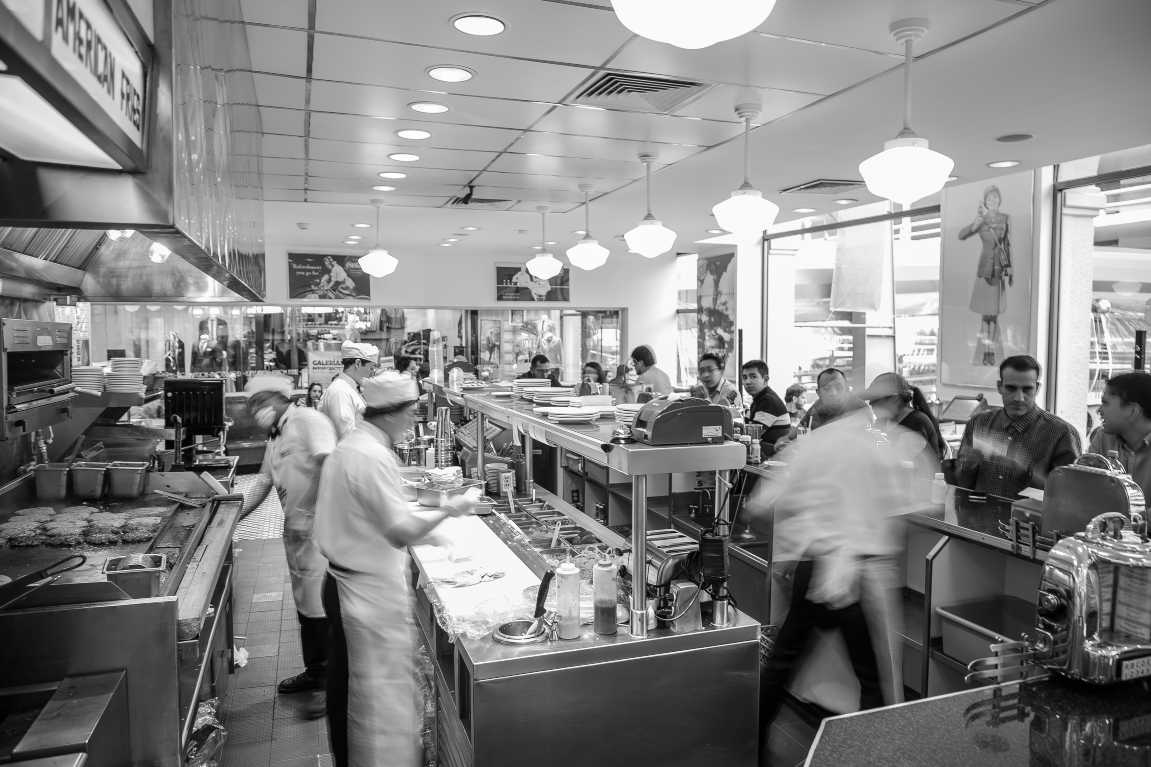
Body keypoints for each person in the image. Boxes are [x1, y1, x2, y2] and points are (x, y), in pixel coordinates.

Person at [314, 372, 477, 767]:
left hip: (351, 582)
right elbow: (397, 529)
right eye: (411, 413)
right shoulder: (368, 456)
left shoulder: (360, 445)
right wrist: (447, 509)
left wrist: (429, 532)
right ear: (392, 413)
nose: (412, 421)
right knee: (373, 702)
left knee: (361, 694)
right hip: (361, 597)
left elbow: (376, 512)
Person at [750, 406, 905, 761]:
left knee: (783, 660)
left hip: (813, 563)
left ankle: (751, 738)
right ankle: (874, 754)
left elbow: (759, 507)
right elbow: (905, 507)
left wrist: (790, 551)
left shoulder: (810, 447)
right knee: (870, 674)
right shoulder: (879, 447)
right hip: (859, 570)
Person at [245, 377, 337, 719]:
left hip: (318, 532)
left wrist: (318, 515)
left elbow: (331, 464)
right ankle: (315, 674)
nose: (256, 411)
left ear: (280, 397)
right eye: (253, 405)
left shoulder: (309, 421)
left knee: (323, 609)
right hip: (295, 533)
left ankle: (332, 686)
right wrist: (232, 514)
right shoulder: (277, 435)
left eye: (260, 403)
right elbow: (264, 481)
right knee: (306, 608)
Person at [950, 355, 1081, 497]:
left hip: (1030, 518)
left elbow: (1069, 495)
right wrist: (967, 466)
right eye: (1011, 388)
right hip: (979, 516)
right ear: (999, 387)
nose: (1019, 398)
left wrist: (1025, 470)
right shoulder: (979, 424)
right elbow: (960, 485)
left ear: (1037, 388)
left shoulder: (1061, 433)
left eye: (1027, 389)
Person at [959, 185, 1013, 367]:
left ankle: (991, 352)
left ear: (1000, 200)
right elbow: (962, 234)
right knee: (985, 315)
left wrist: (1010, 269)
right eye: (989, 199)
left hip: (998, 269)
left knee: (994, 314)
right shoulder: (982, 220)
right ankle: (986, 352)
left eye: (995, 198)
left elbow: (1007, 244)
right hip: (984, 268)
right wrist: (976, 221)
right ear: (985, 201)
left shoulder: (1005, 219)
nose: (993, 201)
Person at [861, 372, 946, 476]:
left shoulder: (917, 423)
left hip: (920, 487)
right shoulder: (884, 422)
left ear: (895, 399)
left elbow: (895, 462)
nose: (871, 405)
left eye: (875, 401)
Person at [1088, 371, 1151, 498]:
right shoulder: (1103, 438)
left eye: (1105, 403)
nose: (1099, 410)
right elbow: (1086, 490)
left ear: (1132, 411)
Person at [776, 368, 866, 450]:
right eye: (827, 388)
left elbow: (871, 444)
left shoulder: (859, 409)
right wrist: (784, 441)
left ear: (847, 389)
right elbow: (798, 433)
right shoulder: (817, 407)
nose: (833, 393)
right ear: (818, 393)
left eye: (838, 387)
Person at [321, 341, 379, 440]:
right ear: (358, 363)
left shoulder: (351, 388)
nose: (372, 373)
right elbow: (347, 436)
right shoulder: (340, 392)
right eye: (371, 368)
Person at [740, 360, 790, 456]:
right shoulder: (758, 400)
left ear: (765, 379)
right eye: (744, 377)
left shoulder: (768, 400)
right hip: (764, 454)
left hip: (774, 458)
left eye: (753, 376)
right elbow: (744, 426)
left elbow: (751, 435)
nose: (747, 382)